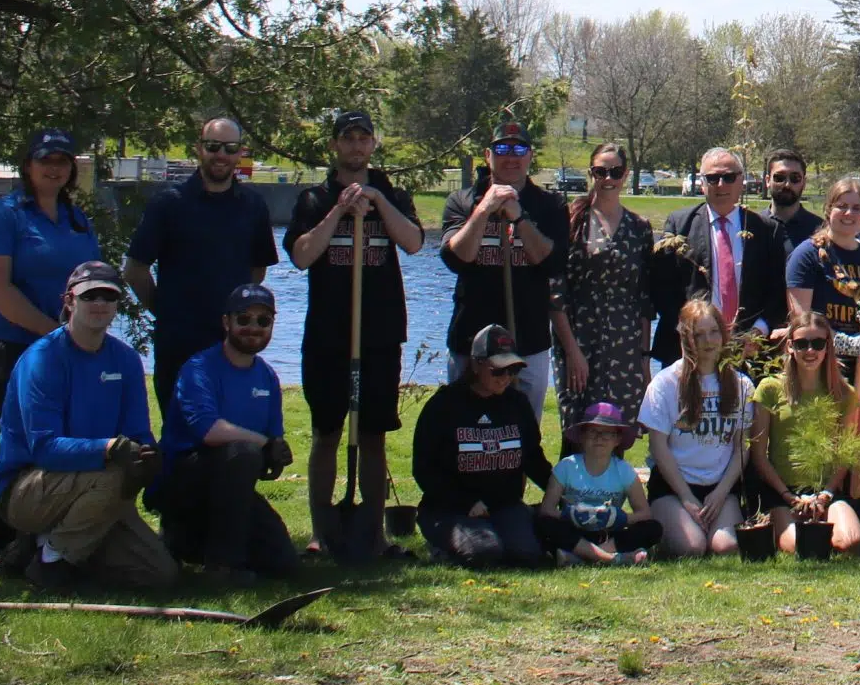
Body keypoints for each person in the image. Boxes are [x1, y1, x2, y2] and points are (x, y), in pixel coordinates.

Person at [0, 261, 177, 591]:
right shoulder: (43, 358)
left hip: (97, 491)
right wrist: (110, 449)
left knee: (159, 574)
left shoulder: (126, 360)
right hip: (26, 486)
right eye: (90, 296)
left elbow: (138, 433)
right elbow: (44, 448)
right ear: (70, 301)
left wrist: (149, 455)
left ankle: (42, 546)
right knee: (114, 474)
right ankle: (50, 563)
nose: (99, 304)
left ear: (118, 305)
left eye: (108, 296)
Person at [284, 110, 423, 559]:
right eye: (349, 138)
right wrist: (340, 209)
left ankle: (371, 533)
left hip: (379, 335)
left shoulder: (394, 196)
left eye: (364, 138)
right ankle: (323, 530)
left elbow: (415, 242)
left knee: (374, 434)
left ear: (373, 144)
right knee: (327, 431)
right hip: (328, 335)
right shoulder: (313, 199)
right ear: (335, 145)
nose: (357, 146)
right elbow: (302, 257)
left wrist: (378, 202)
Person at [126, 115, 277, 421]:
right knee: (181, 435)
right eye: (213, 146)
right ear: (199, 149)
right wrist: (165, 310)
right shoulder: (168, 203)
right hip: (178, 342)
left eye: (229, 147)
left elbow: (257, 271)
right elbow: (135, 269)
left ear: (239, 153)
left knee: (234, 434)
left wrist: (239, 315)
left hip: (232, 342)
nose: (221, 154)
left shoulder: (253, 206)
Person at [152, 282, 298, 582]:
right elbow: (209, 431)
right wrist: (264, 443)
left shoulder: (267, 376)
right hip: (184, 483)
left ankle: (193, 547)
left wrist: (277, 452)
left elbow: (273, 437)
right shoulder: (199, 369)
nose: (253, 328)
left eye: (263, 321)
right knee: (242, 452)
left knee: (283, 562)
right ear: (226, 322)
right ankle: (221, 565)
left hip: (232, 489)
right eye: (243, 319)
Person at [439, 116, 570, 420]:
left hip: (528, 341)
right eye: (502, 150)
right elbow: (456, 259)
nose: (510, 157)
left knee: (522, 436)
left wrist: (519, 218)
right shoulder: (462, 201)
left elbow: (552, 263)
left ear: (530, 156)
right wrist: (484, 209)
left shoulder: (550, 204)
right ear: (488, 155)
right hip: (470, 341)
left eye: (518, 149)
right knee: (464, 430)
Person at [0, 129, 102, 419]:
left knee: (69, 431)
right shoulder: (2, 215)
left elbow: (94, 279)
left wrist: (84, 333)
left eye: (62, 161)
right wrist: (55, 333)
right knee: (22, 440)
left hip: (70, 345)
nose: (54, 169)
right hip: (12, 347)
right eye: (46, 160)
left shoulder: (77, 219)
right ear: (28, 165)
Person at [413, 325, 554, 569]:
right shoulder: (444, 406)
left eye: (512, 369)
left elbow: (532, 457)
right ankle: (441, 544)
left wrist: (560, 493)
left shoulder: (517, 404)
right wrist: (464, 502)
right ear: (476, 365)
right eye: (498, 370)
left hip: (504, 505)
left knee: (528, 556)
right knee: (484, 553)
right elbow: (424, 469)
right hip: (451, 508)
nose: (506, 377)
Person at [639, 297, 765, 558]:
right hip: (674, 487)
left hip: (719, 486)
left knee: (726, 546)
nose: (708, 341)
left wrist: (721, 493)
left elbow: (741, 447)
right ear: (687, 339)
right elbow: (658, 446)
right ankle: (660, 529)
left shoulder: (741, 384)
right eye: (699, 335)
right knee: (692, 547)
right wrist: (686, 497)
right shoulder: (665, 384)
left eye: (714, 332)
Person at [551, 143, 653, 438]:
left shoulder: (639, 227)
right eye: (601, 171)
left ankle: (618, 485)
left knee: (619, 432)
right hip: (580, 341)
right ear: (591, 173)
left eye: (616, 172)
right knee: (579, 431)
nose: (608, 179)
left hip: (626, 346)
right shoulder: (571, 221)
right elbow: (556, 295)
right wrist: (572, 352)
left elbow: (644, 298)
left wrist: (644, 360)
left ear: (625, 175)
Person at [787, 175, 860, 439]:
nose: (849, 213)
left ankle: (850, 484)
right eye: (841, 206)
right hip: (822, 362)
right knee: (823, 442)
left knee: (854, 445)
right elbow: (800, 316)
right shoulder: (808, 254)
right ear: (828, 210)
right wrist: (840, 343)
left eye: (856, 207)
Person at [652, 146, 790, 358]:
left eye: (728, 177)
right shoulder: (680, 225)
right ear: (701, 182)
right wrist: (688, 331)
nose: (721, 184)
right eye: (713, 178)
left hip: (749, 349)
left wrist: (758, 332)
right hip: (689, 349)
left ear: (741, 180)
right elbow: (662, 289)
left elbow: (777, 291)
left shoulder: (767, 230)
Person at [763, 307, 860, 554]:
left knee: (849, 542)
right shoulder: (770, 389)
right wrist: (789, 497)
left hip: (826, 492)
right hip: (783, 493)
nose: (810, 350)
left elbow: (844, 454)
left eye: (818, 343)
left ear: (828, 347)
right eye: (802, 343)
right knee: (801, 546)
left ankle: (821, 520)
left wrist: (825, 496)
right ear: (790, 346)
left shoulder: (845, 394)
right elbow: (758, 455)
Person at [537, 401, 663, 565]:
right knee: (543, 524)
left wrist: (619, 518)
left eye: (607, 434)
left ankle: (582, 556)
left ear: (617, 439)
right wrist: (571, 515)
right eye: (593, 432)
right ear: (582, 436)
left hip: (608, 533)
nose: (599, 439)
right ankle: (612, 558)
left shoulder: (624, 471)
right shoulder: (566, 467)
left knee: (653, 528)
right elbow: (547, 509)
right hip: (575, 532)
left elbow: (645, 513)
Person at [764, 151, 819, 251]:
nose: (787, 185)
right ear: (767, 181)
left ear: (804, 182)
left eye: (795, 178)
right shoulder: (751, 226)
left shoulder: (820, 231)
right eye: (779, 177)